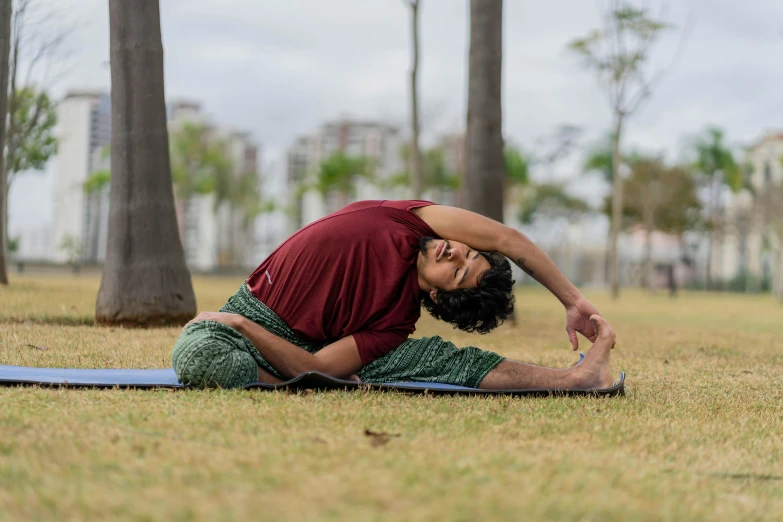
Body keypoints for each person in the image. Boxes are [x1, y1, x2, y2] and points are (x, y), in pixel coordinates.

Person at [172, 200, 616, 390]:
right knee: (198, 355)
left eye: (458, 271)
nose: (455, 251)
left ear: (441, 298)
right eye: (468, 253)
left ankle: (575, 380)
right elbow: (506, 238)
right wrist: (572, 300)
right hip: (254, 318)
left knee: (443, 361)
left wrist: (240, 325)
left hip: (268, 336)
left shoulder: (395, 324)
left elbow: (316, 365)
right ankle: (280, 381)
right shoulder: (412, 222)